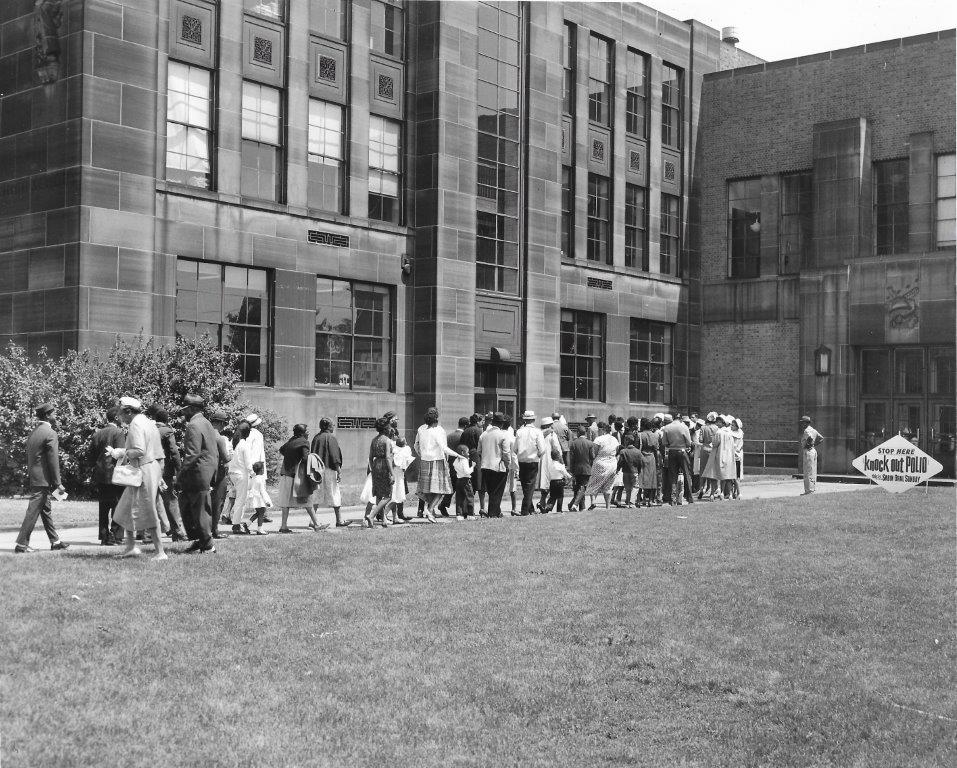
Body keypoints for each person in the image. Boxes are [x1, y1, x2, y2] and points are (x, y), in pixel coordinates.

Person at [109, 397, 165, 560]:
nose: (119, 416)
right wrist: (159, 475)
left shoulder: (135, 424)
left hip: (143, 470)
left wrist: (121, 452)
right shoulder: (149, 422)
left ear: (128, 411)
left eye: (120, 413)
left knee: (148, 511)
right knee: (125, 509)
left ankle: (160, 552)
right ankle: (132, 547)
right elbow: (158, 453)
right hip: (149, 468)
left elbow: (139, 450)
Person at [15, 402, 69, 553]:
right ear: (47, 415)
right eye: (54, 413)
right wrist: (58, 483)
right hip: (43, 479)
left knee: (45, 510)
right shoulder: (50, 433)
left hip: (35, 477)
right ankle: (21, 545)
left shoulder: (34, 432)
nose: (56, 415)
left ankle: (55, 541)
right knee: (33, 511)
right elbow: (53, 460)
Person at [177, 394, 219, 553]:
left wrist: (180, 475)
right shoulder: (206, 422)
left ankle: (208, 545)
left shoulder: (193, 425)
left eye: (185, 409)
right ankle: (200, 541)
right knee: (188, 506)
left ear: (193, 409)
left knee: (200, 510)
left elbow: (192, 454)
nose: (183, 413)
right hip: (205, 471)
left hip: (197, 473)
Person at [150, 406, 189, 542]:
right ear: (166, 420)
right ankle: (177, 531)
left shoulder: (149, 430)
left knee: (151, 501)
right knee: (171, 501)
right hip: (164, 471)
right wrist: (180, 469)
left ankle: (147, 534)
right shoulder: (167, 431)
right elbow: (174, 452)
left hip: (148, 469)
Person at [277, 424, 325, 532]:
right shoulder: (304, 442)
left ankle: (283, 526)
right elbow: (305, 458)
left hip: (285, 474)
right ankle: (316, 525)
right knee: (307, 499)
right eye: (306, 430)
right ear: (302, 432)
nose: (308, 432)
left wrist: (291, 458)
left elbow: (282, 450)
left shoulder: (291, 440)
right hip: (296, 476)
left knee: (285, 502)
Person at [88, 406, 125, 545]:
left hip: (100, 474)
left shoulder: (97, 434)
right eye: (121, 416)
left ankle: (104, 536)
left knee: (103, 507)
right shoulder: (119, 433)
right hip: (115, 473)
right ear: (116, 418)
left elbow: (91, 456)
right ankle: (116, 536)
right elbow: (121, 454)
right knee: (118, 505)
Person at [413, 407, 458, 520]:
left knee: (427, 489)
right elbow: (444, 448)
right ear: (436, 418)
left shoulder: (421, 429)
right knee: (441, 489)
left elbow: (416, 445)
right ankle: (430, 510)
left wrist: (422, 455)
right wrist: (458, 455)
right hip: (438, 460)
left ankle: (429, 511)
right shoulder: (439, 430)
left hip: (424, 461)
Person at [310, 418, 346, 527]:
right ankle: (339, 520)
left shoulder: (316, 438)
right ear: (328, 426)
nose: (334, 426)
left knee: (316, 494)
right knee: (334, 492)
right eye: (332, 425)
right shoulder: (331, 437)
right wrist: (339, 471)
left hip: (317, 470)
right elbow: (334, 456)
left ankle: (313, 521)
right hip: (329, 469)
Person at [578, 422, 618, 510]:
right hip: (612, 463)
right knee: (608, 486)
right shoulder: (615, 439)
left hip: (601, 462)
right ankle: (608, 507)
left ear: (602, 430)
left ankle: (593, 502)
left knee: (593, 482)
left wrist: (591, 461)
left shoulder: (598, 439)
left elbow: (593, 453)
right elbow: (617, 451)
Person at [478, 412, 511, 518]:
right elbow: (506, 453)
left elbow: (479, 451)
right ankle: (493, 513)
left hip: (485, 466)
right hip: (498, 466)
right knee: (497, 491)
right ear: (501, 424)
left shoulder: (484, 434)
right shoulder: (503, 435)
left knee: (491, 491)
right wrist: (507, 465)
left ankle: (496, 512)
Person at [514, 410, 545, 516]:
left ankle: (530, 508)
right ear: (534, 420)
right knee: (530, 487)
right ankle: (525, 510)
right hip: (532, 461)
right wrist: (538, 456)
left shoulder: (519, 431)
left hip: (522, 461)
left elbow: (515, 449)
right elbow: (542, 449)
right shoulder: (537, 432)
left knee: (525, 487)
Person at [365, 417, 395, 528]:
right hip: (384, 466)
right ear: (386, 427)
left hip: (375, 465)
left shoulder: (374, 440)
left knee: (379, 495)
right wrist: (392, 473)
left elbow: (370, 457)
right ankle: (372, 515)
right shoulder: (387, 440)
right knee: (387, 495)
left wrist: (373, 469)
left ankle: (383, 520)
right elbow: (388, 457)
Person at [660, 412, 695, 505]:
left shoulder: (667, 428)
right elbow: (689, 442)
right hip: (682, 451)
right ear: (680, 419)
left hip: (672, 451)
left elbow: (664, 442)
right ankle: (689, 497)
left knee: (673, 475)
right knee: (687, 474)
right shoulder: (684, 427)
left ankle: (673, 499)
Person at [209, 409, 232, 539]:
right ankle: (214, 530)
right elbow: (226, 458)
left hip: (206, 471)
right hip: (218, 472)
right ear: (220, 423)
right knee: (218, 502)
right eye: (224, 423)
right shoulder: (219, 437)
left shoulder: (205, 434)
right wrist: (232, 455)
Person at [226, 422, 253, 534]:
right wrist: (253, 473)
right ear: (247, 433)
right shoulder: (244, 444)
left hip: (232, 473)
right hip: (241, 475)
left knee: (238, 499)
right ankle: (236, 525)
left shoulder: (233, 442)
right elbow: (248, 464)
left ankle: (237, 523)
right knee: (240, 500)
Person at [538, 416, 568, 513]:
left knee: (543, 484)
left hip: (539, 460)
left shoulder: (538, 433)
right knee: (552, 485)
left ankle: (542, 503)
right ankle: (548, 506)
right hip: (550, 460)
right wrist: (561, 460)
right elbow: (556, 448)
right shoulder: (551, 434)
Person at [702, 415, 736, 500]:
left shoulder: (719, 432)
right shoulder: (730, 433)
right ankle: (727, 494)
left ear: (722, 423)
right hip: (728, 457)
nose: (717, 423)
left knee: (714, 475)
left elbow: (714, 444)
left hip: (718, 455)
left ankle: (713, 494)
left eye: (719, 422)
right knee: (727, 476)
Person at [566, 425, 595, 512]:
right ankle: (574, 505)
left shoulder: (574, 443)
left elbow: (571, 458)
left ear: (578, 433)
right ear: (585, 433)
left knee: (578, 488)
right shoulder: (590, 443)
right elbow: (592, 457)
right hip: (586, 468)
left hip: (576, 468)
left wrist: (571, 470)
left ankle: (580, 507)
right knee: (582, 488)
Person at [460, 414, 484, 514]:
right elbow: (481, 446)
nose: (483, 423)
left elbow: (461, 445)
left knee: (468, 484)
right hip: (476, 458)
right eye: (482, 421)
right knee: (478, 484)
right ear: (477, 421)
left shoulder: (465, 431)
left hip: (466, 458)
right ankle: (479, 508)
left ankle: (467, 508)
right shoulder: (479, 431)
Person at [390, 436, 415, 523]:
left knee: (397, 494)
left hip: (397, 473)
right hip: (397, 474)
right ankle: (383, 514)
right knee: (396, 495)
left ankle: (396, 515)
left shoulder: (394, 448)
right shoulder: (404, 450)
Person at [637, 418, 661, 507]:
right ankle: (650, 500)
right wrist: (658, 462)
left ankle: (639, 500)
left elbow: (637, 447)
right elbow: (656, 450)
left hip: (641, 457)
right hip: (651, 458)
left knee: (641, 479)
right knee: (652, 480)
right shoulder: (655, 435)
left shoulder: (639, 435)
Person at [697, 413, 719, 500]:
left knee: (702, 470)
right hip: (713, 450)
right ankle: (712, 493)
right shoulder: (717, 428)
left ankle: (701, 488)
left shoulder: (703, 427)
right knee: (713, 470)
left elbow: (700, 440)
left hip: (704, 449)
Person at [616, 435, 642, 508]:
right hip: (634, 471)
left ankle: (628, 501)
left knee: (627, 488)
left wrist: (618, 469)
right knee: (635, 487)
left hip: (625, 472)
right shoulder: (638, 452)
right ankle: (631, 501)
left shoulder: (623, 451)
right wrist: (639, 471)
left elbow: (620, 462)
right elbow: (640, 463)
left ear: (627, 441)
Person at [800, 416, 824, 495]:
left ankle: (808, 491)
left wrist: (808, 444)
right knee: (813, 471)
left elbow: (809, 437)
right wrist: (814, 444)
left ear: (807, 423)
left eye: (803, 422)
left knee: (808, 471)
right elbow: (821, 438)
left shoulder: (807, 430)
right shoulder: (814, 430)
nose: (802, 424)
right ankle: (812, 489)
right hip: (813, 450)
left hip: (808, 451)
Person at [246, 461, 272, 534]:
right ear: (261, 470)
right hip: (259, 498)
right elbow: (262, 491)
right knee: (261, 513)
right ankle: (260, 529)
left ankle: (247, 524)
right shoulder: (261, 478)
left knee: (258, 513)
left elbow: (248, 487)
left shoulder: (253, 478)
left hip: (254, 498)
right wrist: (266, 501)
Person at [452, 445, 475, 518]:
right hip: (466, 480)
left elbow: (454, 466)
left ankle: (459, 514)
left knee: (459, 498)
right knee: (469, 497)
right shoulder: (464, 460)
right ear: (462, 452)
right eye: (467, 452)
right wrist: (473, 467)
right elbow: (466, 471)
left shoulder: (456, 460)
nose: (468, 454)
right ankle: (470, 514)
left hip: (459, 480)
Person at [729, 418, 744, 499]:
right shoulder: (729, 433)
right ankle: (732, 493)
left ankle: (738, 492)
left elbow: (739, 446)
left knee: (735, 477)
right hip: (731, 457)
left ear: (737, 427)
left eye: (733, 425)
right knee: (731, 477)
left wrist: (735, 449)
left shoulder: (740, 434)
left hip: (736, 457)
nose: (731, 426)